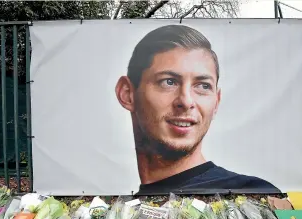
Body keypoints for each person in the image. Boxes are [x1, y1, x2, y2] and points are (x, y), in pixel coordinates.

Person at [115, 24, 280, 195]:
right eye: (168, 82)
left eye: (203, 85)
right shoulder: (117, 209)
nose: (186, 101)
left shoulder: (254, 194)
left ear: (216, 102)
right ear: (127, 94)